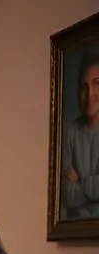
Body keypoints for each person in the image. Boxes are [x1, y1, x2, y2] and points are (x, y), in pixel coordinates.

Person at [61, 46, 99, 220]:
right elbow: (67, 194)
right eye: (84, 86)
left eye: (97, 83)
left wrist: (80, 182)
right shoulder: (71, 134)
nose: (90, 93)